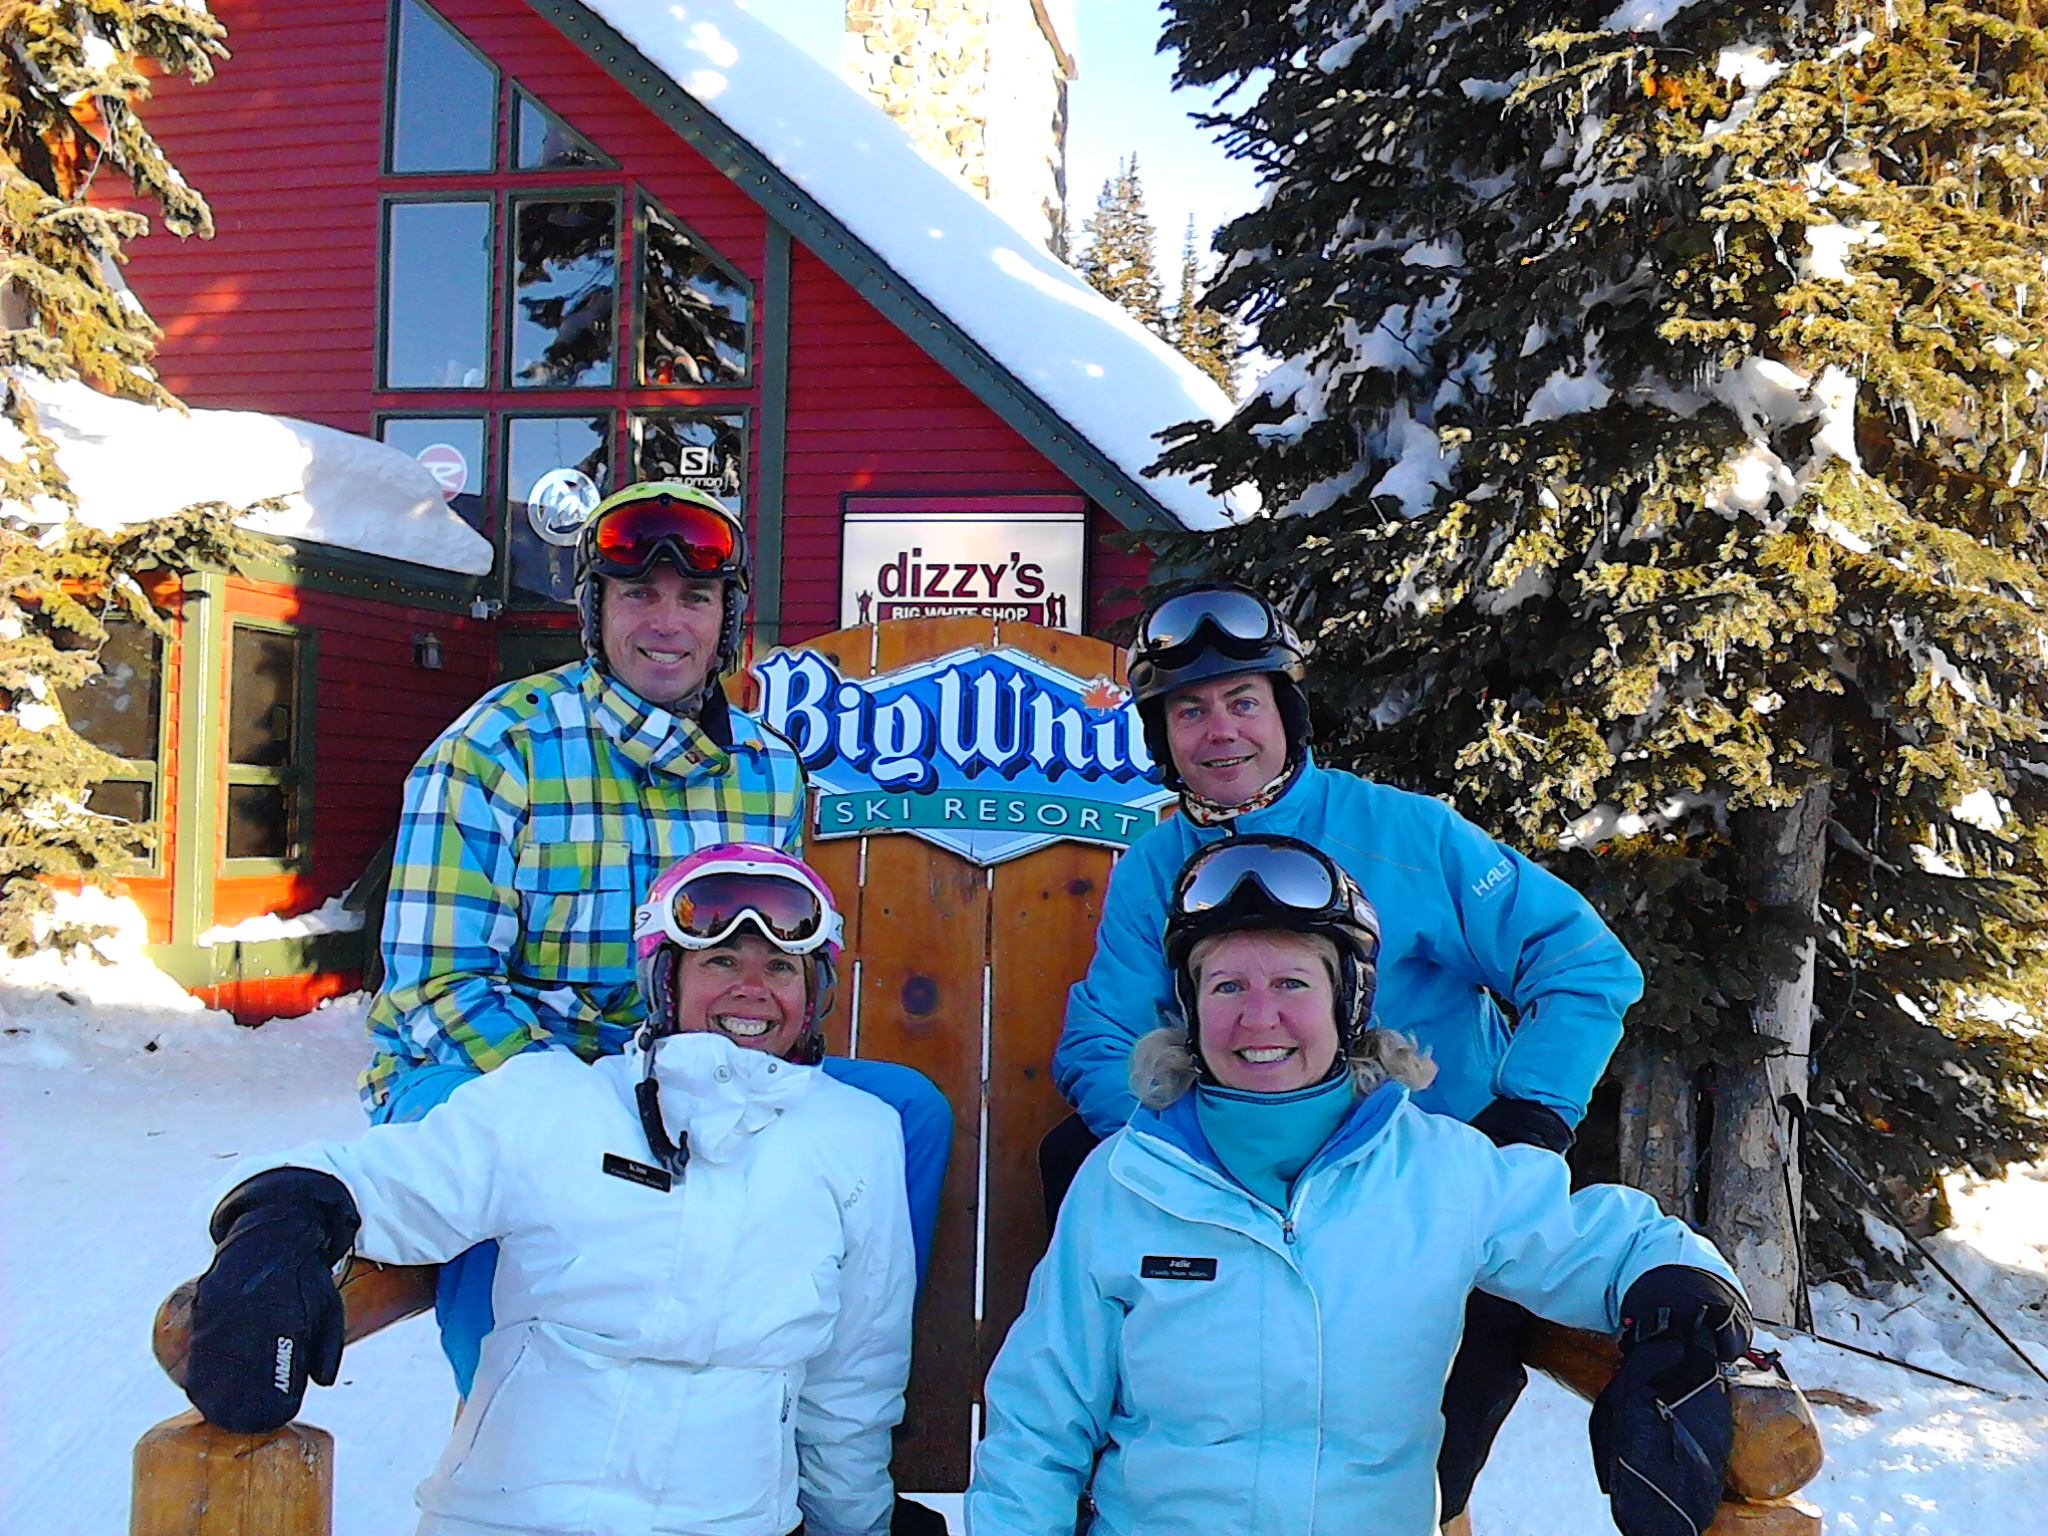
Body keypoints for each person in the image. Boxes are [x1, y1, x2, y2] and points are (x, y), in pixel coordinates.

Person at [1045, 580, 1646, 1520]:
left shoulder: (1406, 834)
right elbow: (1101, 1037)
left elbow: (1583, 964)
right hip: (1240, 1180)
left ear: (1286, 712)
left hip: (1416, 1186)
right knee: (1076, 1158)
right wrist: (1184, 1162)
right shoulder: (1154, 868)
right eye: (1189, 711)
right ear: (1162, 737)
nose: (1220, 732)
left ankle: (1424, 1500)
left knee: (1428, 1395)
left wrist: (1528, 1116)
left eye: (1243, 701)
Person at [972, 836, 1748, 1536]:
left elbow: (1607, 1242)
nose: (1259, 1017)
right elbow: (1039, 1426)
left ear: (1348, 1002)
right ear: (1191, 1009)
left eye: (1292, 983)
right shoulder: (1127, 1181)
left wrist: (1679, 1307)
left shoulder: (1438, 1171)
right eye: (1227, 987)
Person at [361, 482, 950, 1395]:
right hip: (502, 1067)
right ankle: (506, 1418)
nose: (667, 623)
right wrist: (595, 1108)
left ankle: (823, 1389)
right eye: (639, 594)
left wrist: (748, 1075)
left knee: (904, 1112)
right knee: (504, 1164)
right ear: (596, 612)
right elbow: (436, 990)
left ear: (727, 619)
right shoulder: (499, 746)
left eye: (695, 598)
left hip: (690, 1071)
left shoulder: (765, 768)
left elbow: (779, 960)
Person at [184, 845, 913, 1536]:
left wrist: (854, 1524)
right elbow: (380, 1181)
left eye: (781, 967)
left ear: (812, 992)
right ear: (666, 980)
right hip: (513, 1517)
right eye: (720, 960)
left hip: (729, 1519)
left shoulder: (854, 1137)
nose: (751, 988)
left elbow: (853, 1377)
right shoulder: (556, 1103)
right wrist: (278, 1227)